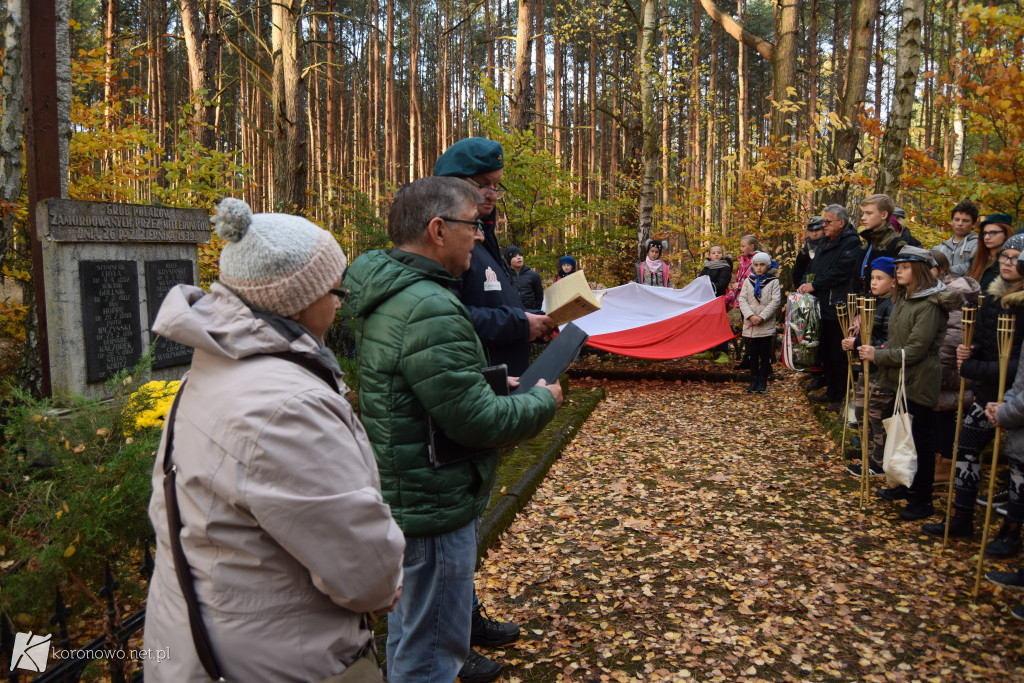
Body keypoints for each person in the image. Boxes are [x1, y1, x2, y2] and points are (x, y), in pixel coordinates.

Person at [143, 199, 405, 681]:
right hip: (280, 657)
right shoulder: (287, 407)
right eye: (336, 291)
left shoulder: (216, 366)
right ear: (302, 301)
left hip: (202, 632)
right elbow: (363, 570)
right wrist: (383, 584)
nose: (339, 303)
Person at [343, 176, 562, 683]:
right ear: (438, 230)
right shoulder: (430, 306)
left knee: (410, 634)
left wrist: (484, 380)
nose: (481, 236)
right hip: (436, 500)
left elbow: (416, 384)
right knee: (432, 653)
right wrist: (540, 400)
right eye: (473, 225)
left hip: (412, 490)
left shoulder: (396, 292)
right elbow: (477, 421)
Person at [925, 233, 1024, 548]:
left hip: (1016, 396)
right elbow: (982, 344)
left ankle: (1011, 531)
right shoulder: (993, 299)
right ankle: (962, 516)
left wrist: (973, 368)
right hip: (987, 392)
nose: (1007, 263)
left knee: (1018, 464)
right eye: (1004, 257)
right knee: (966, 447)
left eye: (1015, 258)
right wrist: (969, 356)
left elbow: (1016, 364)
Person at [434, 137, 554, 377]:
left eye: (496, 185)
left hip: (501, 389)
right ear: (452, 183)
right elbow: (443, 320)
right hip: (475, 391)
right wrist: (521, 325)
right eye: (482, 184)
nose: (492, 195)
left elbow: (493, 301)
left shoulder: (485, 235)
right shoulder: (443, 241)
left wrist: (536, 322)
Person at [860, 246, 959, 521]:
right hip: (899, 379)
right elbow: (896, 340)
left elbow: (915, 350)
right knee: (900, 433)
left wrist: (876, 355)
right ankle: (905, 484)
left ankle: (922, 498)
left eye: (903, 267)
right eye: (898, 267)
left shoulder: (929, 304)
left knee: (920, 440)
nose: (898, 271)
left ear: (918, 270)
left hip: (919, 380)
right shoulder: (903, 298)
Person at [798, 205, 861, 409]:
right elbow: (814, 267)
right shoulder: (825, 241)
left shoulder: (851, 243)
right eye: (823, 222)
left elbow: (840, 271)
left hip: (838, 306)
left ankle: (840, 396)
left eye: (827, 222)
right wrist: (805, 282)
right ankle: (831, 391)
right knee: (825, 351)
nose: (823, 225)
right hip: (821, 305)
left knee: (838, 354)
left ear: (841, 223)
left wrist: (815, 285)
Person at [842, 257, 897, 477]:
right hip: (869, 368)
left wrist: (858, 343)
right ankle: (869, 457)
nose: (873, 283)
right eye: (872, 278)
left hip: (882, 371)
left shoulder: (892, 306)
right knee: (862, 412)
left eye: (880, 278)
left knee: (876, 415)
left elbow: (887, 341)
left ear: (893, 282)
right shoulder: (876, 302)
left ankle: (879, 461)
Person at [930, 249, 981, 484]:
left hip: (949, 375)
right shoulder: (938, 295)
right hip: (940, 375)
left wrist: (937, 372)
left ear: (941, 270)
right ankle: (941, 462)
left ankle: (947, 467)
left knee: (947, 421)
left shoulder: (954, 297)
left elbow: (950, 342)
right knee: (940, 421)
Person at [738, 251, 781, 393]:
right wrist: (750, 316)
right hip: (751, 325)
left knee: (764, 354)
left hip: (765, 324)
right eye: (756, 265)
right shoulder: (748, 281)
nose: (759, 268)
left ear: (767, 266)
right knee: (752, 354)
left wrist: (761, 317)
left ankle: (763, 381)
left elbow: (775, 301)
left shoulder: (773, 281)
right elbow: (742, 299)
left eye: (762, 265)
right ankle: (753, 379)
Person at [851, 194, 909, 296]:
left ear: (884, 215)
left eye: (869, 213)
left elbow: (899, 286)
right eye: (863, 213)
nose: (863, 218)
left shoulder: (897, 245)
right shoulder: (867, 244)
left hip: (882, 308)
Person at [698, 244, 734, 363]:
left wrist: (709, 287)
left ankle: (723, 353)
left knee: (720, 326)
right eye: (713, 253)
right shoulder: (707, 267)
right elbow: (700, 280)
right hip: (707, 301)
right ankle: (708, 349)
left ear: (722, 254)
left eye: (719, 252)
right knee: (707, 325)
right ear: (709, 255)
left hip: (718, 300)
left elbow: (722, 283)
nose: (716, 255)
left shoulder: (725, 267)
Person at [968, 213, 1015, 292]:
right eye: (985, 233)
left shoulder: (1011, 262)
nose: (987, 237)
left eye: (993, 233)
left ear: (1006, 234)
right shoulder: (976, 260)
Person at [935, 200, 980, 278]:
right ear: (952, 221)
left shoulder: (978, 245)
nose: (960, 224)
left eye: (965, 221)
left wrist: (945, 271)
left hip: (967, 288)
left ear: (974, 224)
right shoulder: (940, 248)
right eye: (957, 220)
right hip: (941, 289)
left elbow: (972, 267)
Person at [505, 245, 544, 311]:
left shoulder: (533, 275)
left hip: (531, 312)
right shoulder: (504, 275)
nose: (519, 258)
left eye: (520, 255)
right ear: (509, 260)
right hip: (512, 313)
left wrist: (536, 311)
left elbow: (539, 296)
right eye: (514, 256)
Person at [792, 216, 825, 288]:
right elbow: (797, 274)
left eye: (817, 230)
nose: (814, 234)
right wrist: (802, 288)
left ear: (824, 229)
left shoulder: (829, 248)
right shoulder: (804, 252)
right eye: (811, 231)